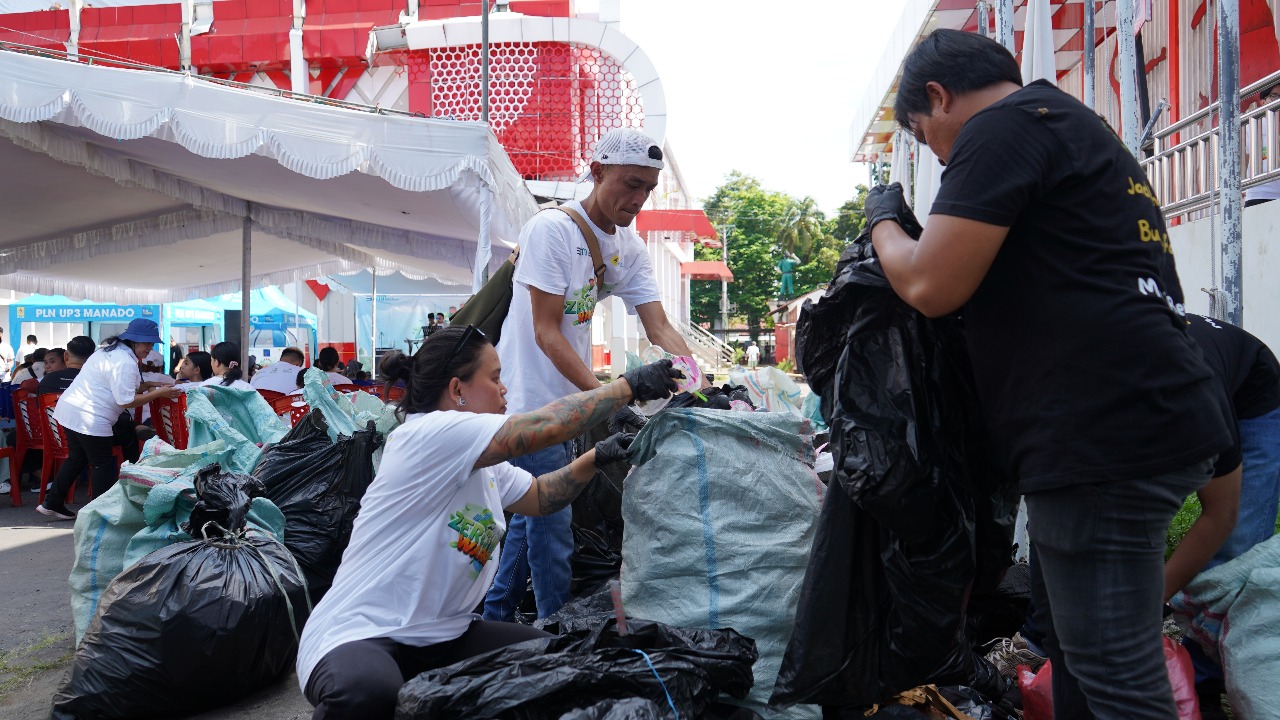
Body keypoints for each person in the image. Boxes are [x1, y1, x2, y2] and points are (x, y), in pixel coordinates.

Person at [866, 30, 1233, 719]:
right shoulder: (1072, 126)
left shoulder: (1001, 129)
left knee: (1114, 669)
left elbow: (929, 284)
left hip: (1102, 431)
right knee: (1078, 652)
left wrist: (885, 221)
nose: (937, 156)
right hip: (1139, 417)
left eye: (921, 134)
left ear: (938, 97)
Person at [296, 325, 682, 719]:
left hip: (445, 635)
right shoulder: (429, 434)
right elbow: (545, 427)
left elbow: (540, 496)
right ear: (457, 389)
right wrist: (627, 387)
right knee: (367, 694)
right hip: (361, 634)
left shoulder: (482, 465)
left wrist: (595, 458)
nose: (504, 389)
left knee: (559, 665)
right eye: (495, 378)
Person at [482, 127, 703, 623]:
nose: (639, 199)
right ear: (597, 172)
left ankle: (494, 620)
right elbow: (546, 333)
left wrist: (702, 388)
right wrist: (611, 397)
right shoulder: (552, 231)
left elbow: (660, 326)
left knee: (530, 520)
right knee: (552, 528)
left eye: (648, 188)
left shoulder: (629, 247)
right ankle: (556, 633)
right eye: (631, 184)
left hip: (568, 407)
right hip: (529, 404)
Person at [37, 321, 182, 519]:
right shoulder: (125, 362)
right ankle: (98, 514)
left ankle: (51, 502)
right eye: (146, 343)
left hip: (71, 410)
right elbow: (126, 401)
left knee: (77, 458)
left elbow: (119, 387)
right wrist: (159, 393)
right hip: (90, 417)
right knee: (102, 465)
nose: (149, 347)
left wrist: (148, 385)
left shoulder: (109, 351)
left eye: (151, 343)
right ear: (132, 340)